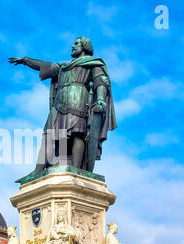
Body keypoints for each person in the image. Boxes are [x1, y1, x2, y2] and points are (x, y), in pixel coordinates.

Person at [9, 36, 116, 173]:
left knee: (78, 133)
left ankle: (77, 170)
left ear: (85, 46)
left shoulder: (93, 63)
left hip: (79, 98)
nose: (73, 46)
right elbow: (45, 66)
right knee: (48, 133)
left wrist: (100, 99)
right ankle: (38, 169)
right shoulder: (63, 67)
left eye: (76, 43)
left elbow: (101, 81)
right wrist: (26, 60)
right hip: (59, 102)